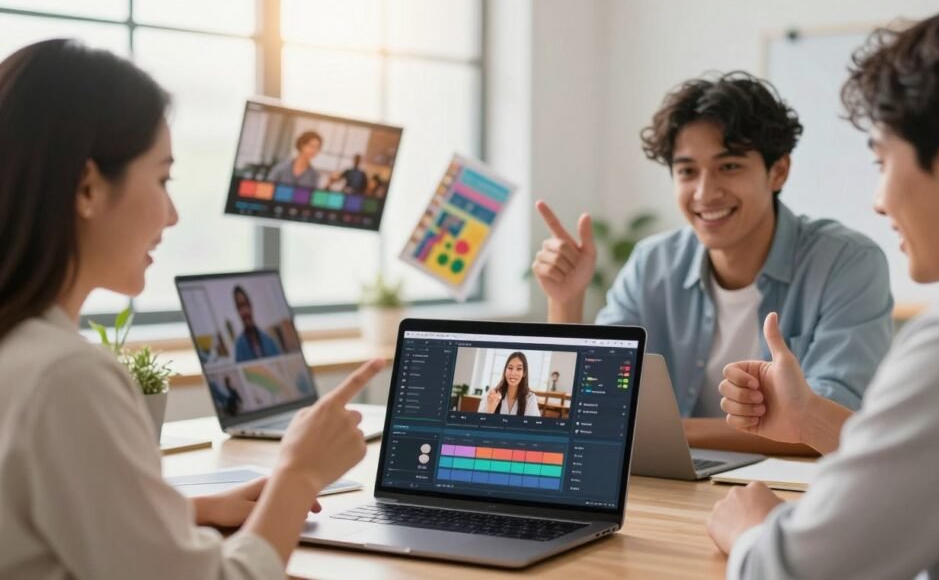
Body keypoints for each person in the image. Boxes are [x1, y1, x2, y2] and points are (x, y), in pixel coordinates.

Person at [0, 39, 385, 579]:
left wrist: (187, 510)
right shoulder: (66, 377)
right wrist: (299, 476)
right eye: (162, 179)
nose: (174, 215)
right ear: (87, 186)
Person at [708, 0, 939, 578]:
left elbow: (796, 572)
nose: (879, 200)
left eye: (882, 162)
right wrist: (812, 421)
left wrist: (751, 529)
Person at [531, 72, 893, 450]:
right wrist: (565, 300)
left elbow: (831, 420)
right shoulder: (652, 263)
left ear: (778, 171)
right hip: (681, 490)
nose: (705, 193)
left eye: (729, 166)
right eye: (687, 171)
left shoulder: (848, 263)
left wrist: (665, 435)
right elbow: (588, 402)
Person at [477, 352, 541, 417]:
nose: (513, 373)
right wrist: (490, 409)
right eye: (510, 368)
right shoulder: (492, 396)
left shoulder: (530, 399)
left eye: (519, 369)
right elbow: (479, 423)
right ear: (505, 371)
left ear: (524, 373)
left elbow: (530, 426)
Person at [233, 285, 281, 362]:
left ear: (251, 306)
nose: (245, 311)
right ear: (237, 311)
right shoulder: (239, 346)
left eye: (246, 304)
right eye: (240, 306)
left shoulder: (269, 340)